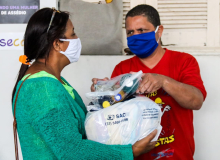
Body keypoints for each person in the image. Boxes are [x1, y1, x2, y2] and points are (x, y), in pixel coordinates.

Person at [11, 7, 158, 160]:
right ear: (57, 44)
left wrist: (108, 92)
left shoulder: (53, 81)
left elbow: (72, 128)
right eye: (73, 33)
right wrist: (130, 152)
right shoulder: (42, 89)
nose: (77, 38)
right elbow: (71, 151)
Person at [91, 4, 207, 160]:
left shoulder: (184, 61)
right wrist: (104, 91)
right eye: (130, 32)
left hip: (178, 155)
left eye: (142, 30)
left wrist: (164, 81)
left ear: (159, 31)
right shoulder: (123, 69)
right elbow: (114, 117)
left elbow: (196, 101)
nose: (135, 36)